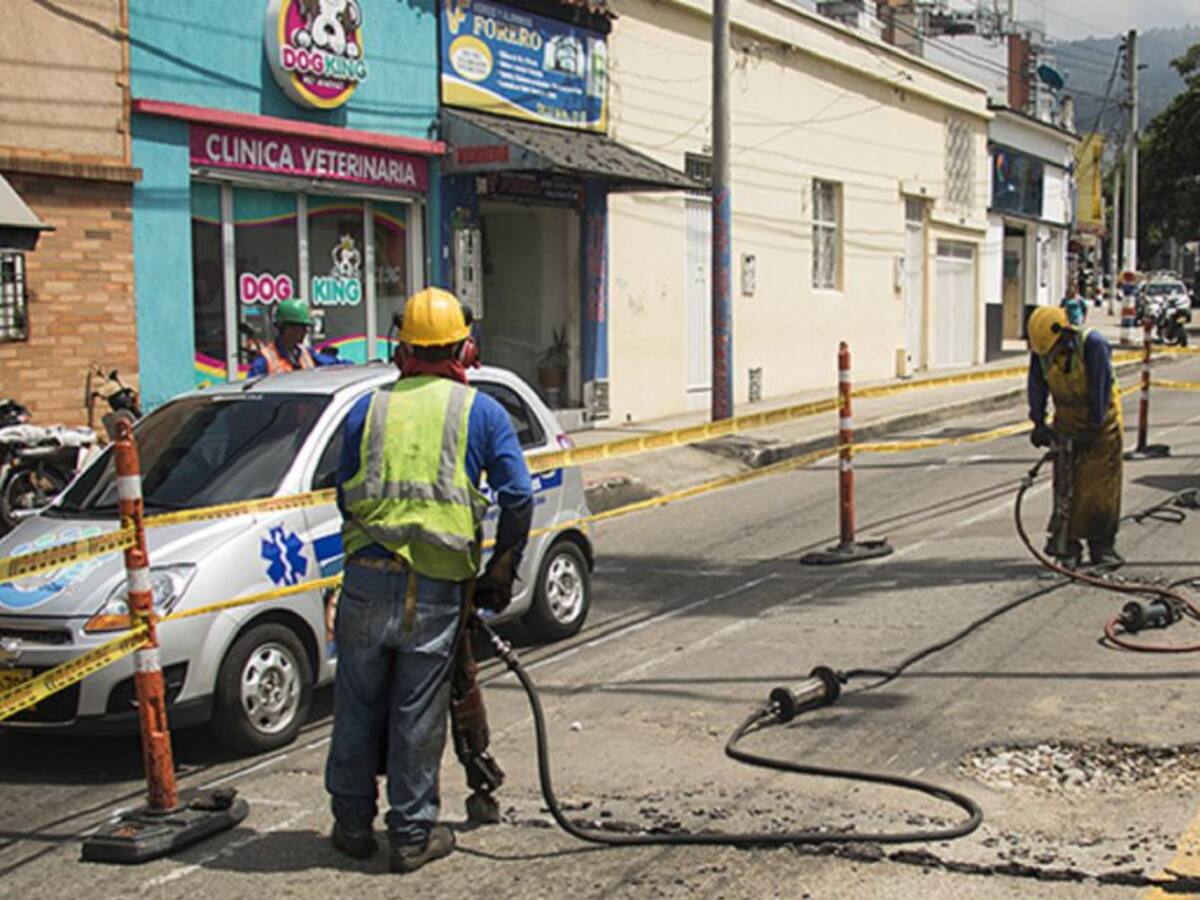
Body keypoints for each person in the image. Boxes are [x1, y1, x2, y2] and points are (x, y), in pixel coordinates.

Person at [326, 287, 533, 873]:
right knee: (416, 712)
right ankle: (412, 834)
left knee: (356, 705)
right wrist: (500, 569)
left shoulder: (366, 409)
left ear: (402, 352)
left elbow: (344, 495)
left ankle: (351, 826)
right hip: (437, 589)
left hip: (366, 580)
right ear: (465, 350)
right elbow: (518, 497)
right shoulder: (481, 412)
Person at [1026, 305, 1124, 568]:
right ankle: (1067, 543)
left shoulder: (1093, 345)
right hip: (1067, 421)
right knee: (1066, 485)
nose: (1051, 355)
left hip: (1102, 422)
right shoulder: (1042, 351)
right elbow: (1036, 386)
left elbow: (1100, 389)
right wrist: (1038, 422)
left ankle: (1102, 545)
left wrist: (1093, 429)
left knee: (1101, 488)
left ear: (1064, 334)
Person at [248, 299, 340, 376]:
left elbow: (333, 363)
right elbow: (251, 388)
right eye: (301, 327)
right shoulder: (265, 360)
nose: (305, 332)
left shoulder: (306, 353)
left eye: (306, 328)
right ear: (285, 327)